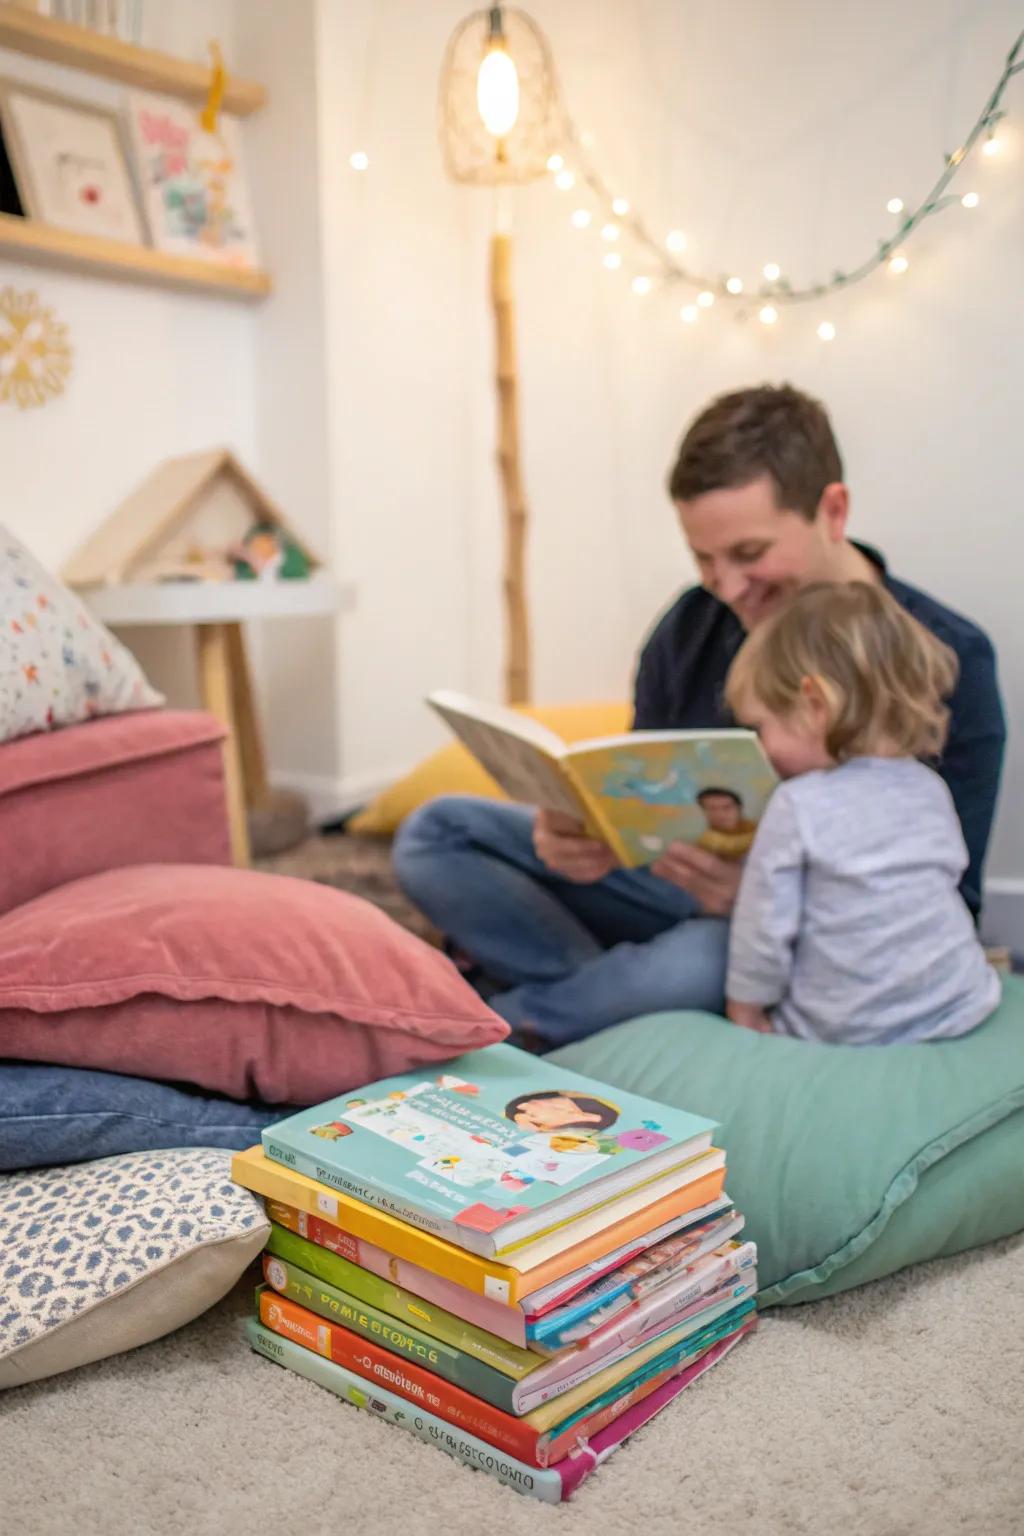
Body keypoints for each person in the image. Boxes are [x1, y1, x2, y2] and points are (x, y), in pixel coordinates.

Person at [393, 384, 1006, 1048]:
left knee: (703, 964)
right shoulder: (690, 626)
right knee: (438, 833)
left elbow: (947, 903)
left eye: (749, 554)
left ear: (833, 510)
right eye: (703, 558)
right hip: (667, 888)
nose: (728, 586)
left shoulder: (940, 657)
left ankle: (508, 1025)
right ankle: (603, 1002)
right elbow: (639, 789)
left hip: (795, 933)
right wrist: (587, 837)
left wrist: (759, 899)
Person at [723, 582, 1001, 1045]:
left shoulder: (796, 803)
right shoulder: (929, 786)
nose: (761, 745)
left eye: (761, 725)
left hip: (846, 1028)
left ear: (815, 706)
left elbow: (764, 930)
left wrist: (745, 1006)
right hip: (957, 1002)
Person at [694, 788, 758, 860]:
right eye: (712, 809)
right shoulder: (707, 838)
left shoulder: (753, 827)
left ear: (739, 809)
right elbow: (735, 846)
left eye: (727, 807)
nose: (720, 814)